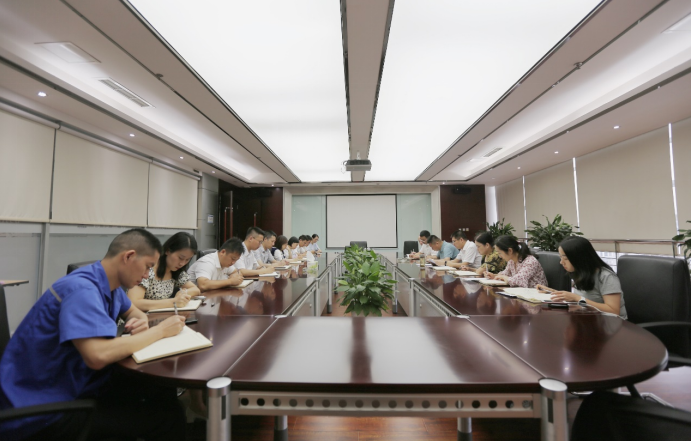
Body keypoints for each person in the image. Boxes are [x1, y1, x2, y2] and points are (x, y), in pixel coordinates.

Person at [0, 229, 187, 441]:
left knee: (160, 390)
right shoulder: (82, 289)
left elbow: (133, 310)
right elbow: (97, 356)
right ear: (128, 256)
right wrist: (159, 331)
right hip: (43, 409)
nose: (147, 275)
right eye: (147, 267)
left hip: (75, 383)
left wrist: (141, 320)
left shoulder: (110, 285)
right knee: (169, 417)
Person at [540, 236, 627, 319]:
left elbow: (613, 311)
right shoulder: (580, 273)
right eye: (560, 257)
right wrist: (553, 292)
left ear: (579, 258)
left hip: (611, 324)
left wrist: (578, 299)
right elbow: (582, 298)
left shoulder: (606, 277)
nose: (561, 262)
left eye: (565, 258)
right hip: (589, 319)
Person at [127, 231, 201, 311]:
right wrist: (173, 302)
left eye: (187, 260)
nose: (182, 263)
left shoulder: (175, 271)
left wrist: (183, 293)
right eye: (181, 258)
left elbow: (196, 290)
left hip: (160, 315)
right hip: (138, 316)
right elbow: (134, 302)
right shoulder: (148, 269)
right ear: (168, 251)